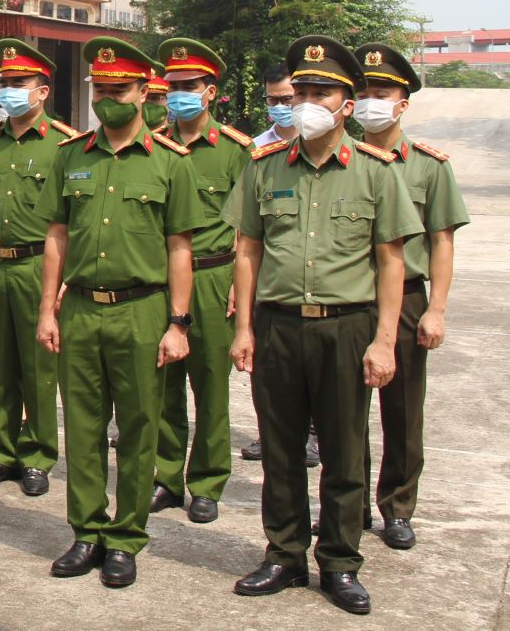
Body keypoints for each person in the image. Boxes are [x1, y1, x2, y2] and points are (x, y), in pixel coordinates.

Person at [226, 35, 421, 616]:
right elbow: (248, 251)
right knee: (281, 449)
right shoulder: (264, 169)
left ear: (347, 102)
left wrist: (385, 341)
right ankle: (284, 554)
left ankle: (339, 561)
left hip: (347, 327)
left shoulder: (376, 171)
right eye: (300, 91)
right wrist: (244, 329)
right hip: (279, 325)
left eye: (321, 93)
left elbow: (391, 262)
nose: (306, 102)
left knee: (343, 451)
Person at [35, 38, 198, 589]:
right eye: (99, 90)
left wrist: (178, 322)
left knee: (137, 428)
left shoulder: (170, 164)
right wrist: (47, 310)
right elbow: (56, 236)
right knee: (81, 428)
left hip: (142, 311)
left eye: (118, 90)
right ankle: (86, 530)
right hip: (79, 310)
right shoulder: (71, 155)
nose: (108, 99)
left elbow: (180, 246)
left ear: (145, 92)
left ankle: (126, 536)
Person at [353, 42, 469, 551]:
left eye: (380, 93)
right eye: (361, 93)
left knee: (401, 409)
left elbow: (442, 241)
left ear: (402, 103)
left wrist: (437, 310)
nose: (368, 102)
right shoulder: (339, 161)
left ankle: (397, 507)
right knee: (344, 411)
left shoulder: (427, 166)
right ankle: (348, 504)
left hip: (406, 297)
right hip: (350, 299)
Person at [148, 39, 251, 525]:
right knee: (162, 381)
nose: (177, 94)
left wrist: (240, 283)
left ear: (210, 92)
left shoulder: (235, 151)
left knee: (210, 384)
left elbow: (251, 225)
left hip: (213, 275)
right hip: (161, 277)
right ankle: (166, 476)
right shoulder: (154, 145)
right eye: (172, 87)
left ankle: (207, 481)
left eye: (189, 86)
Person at [0, 39, 76, 499]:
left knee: (39, 366)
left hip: (39, 265)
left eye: (20, 83)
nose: (10, 91)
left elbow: (74, 219)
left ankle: (37, 454)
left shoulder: (66, 145)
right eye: (6, 83)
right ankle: (2, 451)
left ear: (42, 91)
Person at [240, 61, 317, 467]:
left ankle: (313, 435)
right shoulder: (256, 150)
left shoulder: (325, 143)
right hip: (269, 277)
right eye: (275, 100)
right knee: (265, 368)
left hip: (315, 275)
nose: (283, 107)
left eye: (289, 99)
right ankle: (267, 431)